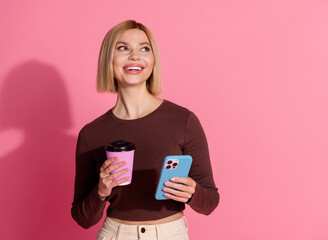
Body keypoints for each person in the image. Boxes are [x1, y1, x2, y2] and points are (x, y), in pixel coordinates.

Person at [71, 20, 219, 240]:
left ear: (152, 61)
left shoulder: (183, 120)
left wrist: (192, 192)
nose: (135, 56)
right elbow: (83, 219)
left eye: (144, 48)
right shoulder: (91, 133)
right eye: (123, 48)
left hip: (170, 234)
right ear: (107, 60)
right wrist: (101, 191)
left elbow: (210, 203)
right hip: (115, 234)